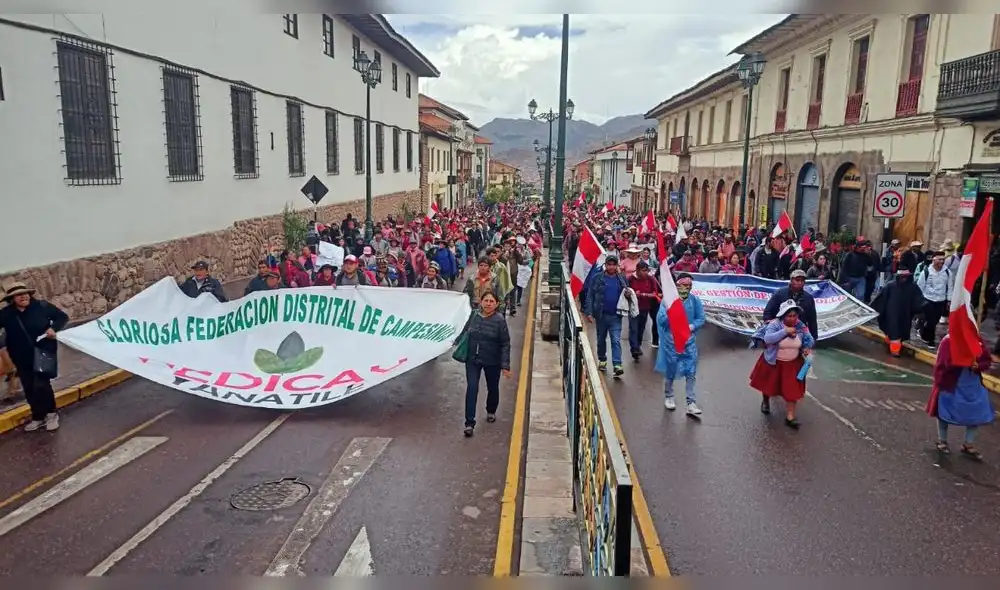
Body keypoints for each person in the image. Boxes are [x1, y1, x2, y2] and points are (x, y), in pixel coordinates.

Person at [0, 282, 70, 432]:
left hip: (43, 351)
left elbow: (62, 317)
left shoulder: (41, 306)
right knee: (29, 387)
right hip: (20, 356)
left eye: (25, 293)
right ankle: (38, 417)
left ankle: (51, 414)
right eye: (19, 295)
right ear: (12, 299)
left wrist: (53, 328)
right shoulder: (6, 314)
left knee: (42, 384)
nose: (23, 296)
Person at [749, 299, 815, 429]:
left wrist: (807, 348)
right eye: (789, 316)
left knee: (792, 390)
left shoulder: (800, 326)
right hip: (773, 361)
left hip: (792, 364)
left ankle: (790, 416)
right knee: (768, 385)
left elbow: (809, 339)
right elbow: (768, 338)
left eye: (795, 315)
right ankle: (766, 401)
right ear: (783, 316)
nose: (793, 318)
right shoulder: (775, 324)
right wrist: (785, 332)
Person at [926, 333, 993, 460]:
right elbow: (944, 363)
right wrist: (965, 358)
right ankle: (942, 441)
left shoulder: (977, 339)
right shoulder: (948, 341)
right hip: (950, 384)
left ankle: (969, 443)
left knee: (976, 412)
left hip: (972, 384)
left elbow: (986, 359)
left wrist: (978, 365)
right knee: (944, 412)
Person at [458, 291, 511, 437]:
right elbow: (463, 332)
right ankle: (469, 423)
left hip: (492, 360)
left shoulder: (500, 320)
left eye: (491, 301)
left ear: (496, 304)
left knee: (492, 387)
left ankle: (491, 410)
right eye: (486, 301)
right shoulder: (473, 316)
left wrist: (505, 365)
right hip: (473, 360)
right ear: (481, 302)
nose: (488, 304)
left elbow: (505, 343)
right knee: (472, 388)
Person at [655, 272, 705, 416]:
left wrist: (692, 326)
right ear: (677, 285)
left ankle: (691, 402)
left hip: (689, 341)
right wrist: (672, 315)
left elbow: (701, 318)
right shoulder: (668, 302)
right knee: (671, 369)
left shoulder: (695, 300)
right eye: (684, 285)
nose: (687, 288)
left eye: (689, 285)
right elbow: (661, 321)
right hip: (672, 342)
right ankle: (669, 396)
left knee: (691, 371)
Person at [584, 255, 631, 377]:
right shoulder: (597, 278)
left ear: (616, 266)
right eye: (609, 264)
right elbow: (590, 295)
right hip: (601, 315)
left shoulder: (621, 278)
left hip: (616, 315)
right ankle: (602, 359)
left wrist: (628, 294)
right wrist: (588, 312)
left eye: (613, 264)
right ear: (605, 265)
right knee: (601, 339)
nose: (611, 267)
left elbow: (628, 294)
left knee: (615, 339)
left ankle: (617, 364)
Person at [871, 269, 925, 357]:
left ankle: (892, 343)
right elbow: (881, 298)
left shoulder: (913, 287)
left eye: (906, 277)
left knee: (901, 331)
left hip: (906, 314)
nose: (904, 279)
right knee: (894, 330)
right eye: (902, 277)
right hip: (891, 313)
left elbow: (918, 300)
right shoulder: (890, 286)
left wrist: (924, 307)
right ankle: (895, 351)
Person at [762, 270, 818, 339]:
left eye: (802, 281)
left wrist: (814, 338)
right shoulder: (780, 293)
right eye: (797, 280)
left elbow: (812, 320)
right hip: (780, 331)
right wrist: (772, 325)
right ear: (791, 280)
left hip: (799, 333)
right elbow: (767, 313)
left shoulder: (808, 298)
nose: (800, 283)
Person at [915, 252, 953, 347]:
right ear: (934, 259)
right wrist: (919, 300)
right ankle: (931, 341)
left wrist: (949, 300)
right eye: (939, 259)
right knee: (931, 321)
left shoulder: (948, 273)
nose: (942, 261)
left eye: (943, 259)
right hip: (928, 300)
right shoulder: (926, 272)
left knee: (934, 321)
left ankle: (924, 333)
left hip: (941, 301)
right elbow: (920, 287)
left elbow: (950, 287)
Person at [628, 261, 661, 358]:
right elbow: (626, 291)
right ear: (637, 270)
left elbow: (655, 292)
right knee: (633, 328)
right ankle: (634, 348)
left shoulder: (651, 279)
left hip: (645, 307)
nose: (645, 273)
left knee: (641, 328)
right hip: (633, 308)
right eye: (643, 271)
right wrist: (632, 294)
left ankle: (638, 345)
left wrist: (643, 295)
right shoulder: (631, 278)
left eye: (647, 270)